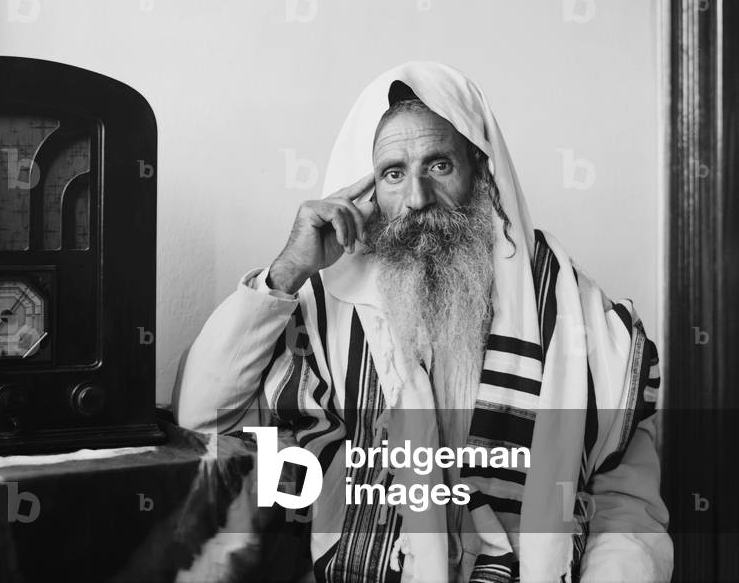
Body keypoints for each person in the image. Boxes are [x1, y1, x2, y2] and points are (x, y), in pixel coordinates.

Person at [173, 62, 671, 582]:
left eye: (438, 166)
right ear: (366, 191)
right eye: (393, 173)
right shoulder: (323, 302)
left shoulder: (577, 313)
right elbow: (202, 415)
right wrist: (288, 271)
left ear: (483, 172)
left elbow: (628, 509)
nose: (416, 198)